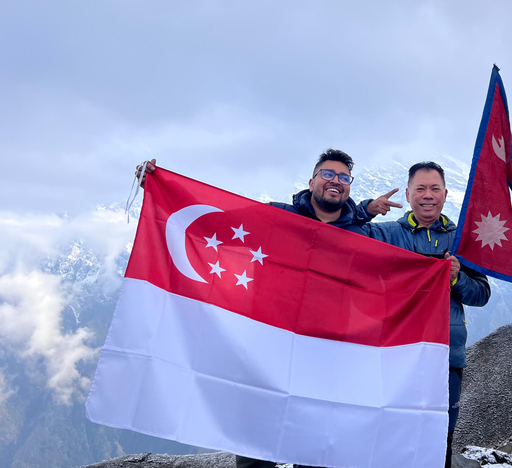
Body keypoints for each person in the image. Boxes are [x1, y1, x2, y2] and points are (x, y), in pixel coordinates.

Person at [135, 149, 402, 468]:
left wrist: (445, 271)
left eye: (344, 177)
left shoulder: (361, 234)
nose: (335, 181)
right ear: (312, 180)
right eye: (328, 174)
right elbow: (218, 221)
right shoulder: (277, 218)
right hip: (268, 352)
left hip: (325, 356)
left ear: (349, 187)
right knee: (255, 450)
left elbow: (401, 268)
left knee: (317, 450)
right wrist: (159, 187)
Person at [361, 161, 491, 468]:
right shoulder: (385, 234)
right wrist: (364, 210)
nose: (427, 195)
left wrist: (457, 279)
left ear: (446, 194)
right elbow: (341, 233)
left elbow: (482, 295)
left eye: (434, 188)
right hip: (395, 353)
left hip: (446, 356)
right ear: (408, 194)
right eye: (420, 188)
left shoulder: (464, 241)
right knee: (391, 435)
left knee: (439, 438)